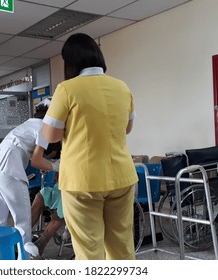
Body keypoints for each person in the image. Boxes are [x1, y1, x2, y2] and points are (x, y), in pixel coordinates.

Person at [42, 33, 139, 260]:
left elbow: (51, 135)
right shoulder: (122, 87)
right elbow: (127, 128)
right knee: (122, 245)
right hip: (122, 177)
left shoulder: (67, 89)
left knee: (89, 250)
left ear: (71, 62)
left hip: (82, 181)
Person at [0, 98, 59, 260]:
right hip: (9, 171)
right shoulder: (44, 128)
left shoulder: (28, 124)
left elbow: (34, 154)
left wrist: (49, 161)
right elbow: (36, 161)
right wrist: (57, 166)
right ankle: (24, 261)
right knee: (23, 223)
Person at [30, 173, 65, 257]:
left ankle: (40, 245)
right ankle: (23, 234)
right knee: (41, 195)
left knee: (62, 206)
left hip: (72, 192)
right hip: (59, 189)